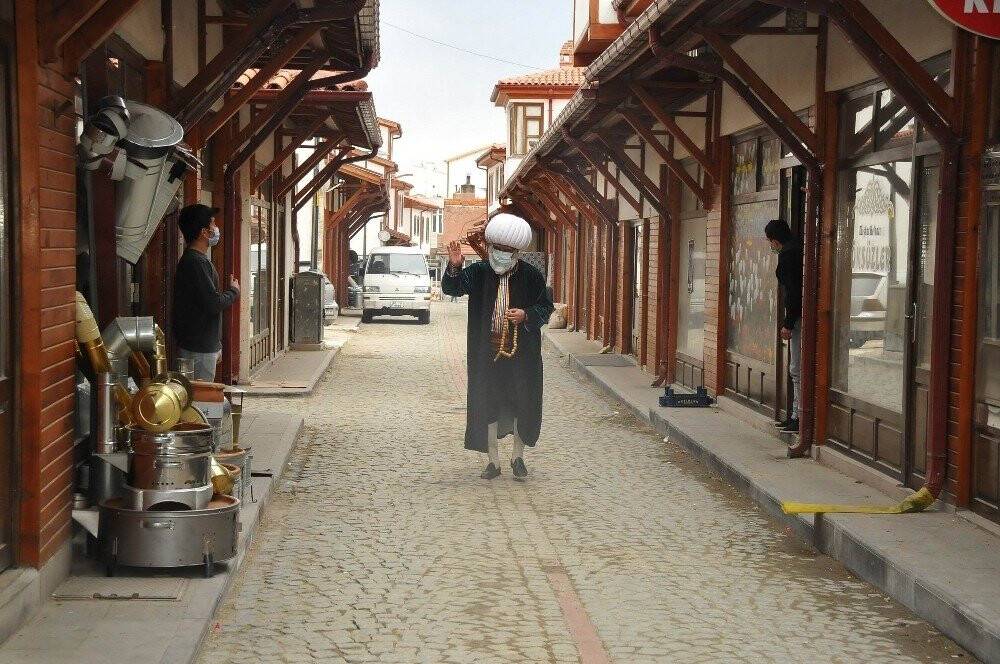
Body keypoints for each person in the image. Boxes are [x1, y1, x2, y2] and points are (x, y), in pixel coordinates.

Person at [442, 213, 554, 480]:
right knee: (487, 404)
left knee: (522, 403)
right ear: (491, 248)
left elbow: (545, 307)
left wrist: (526, 315)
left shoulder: (531, 276)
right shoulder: (479, 272)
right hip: (486, 354)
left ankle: (518, 458)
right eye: (498, 249)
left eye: (507, 250)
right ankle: (493, 461)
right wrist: (455, 266)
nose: (501, 254)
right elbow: (452, 288)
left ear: (516, 252)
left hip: (522, 355)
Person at [173, 204, 240, 381]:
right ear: (204, 232)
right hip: (198, 348)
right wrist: (234, 292)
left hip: (200, 345)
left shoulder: (196, 260)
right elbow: (213, 303)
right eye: (212, 224)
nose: (215, 228)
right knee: (200, 403)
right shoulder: (196, 262)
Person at [765, 219, 803, 434]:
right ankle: (796, 415)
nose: (771, 245)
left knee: (796, 369)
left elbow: (794, 293)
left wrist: (788, 323)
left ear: (775, 240)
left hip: (798, 318)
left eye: (770, 241)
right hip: (799, 316)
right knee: (796, 368)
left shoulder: (789, 256)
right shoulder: (796, 249)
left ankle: (798, 417)